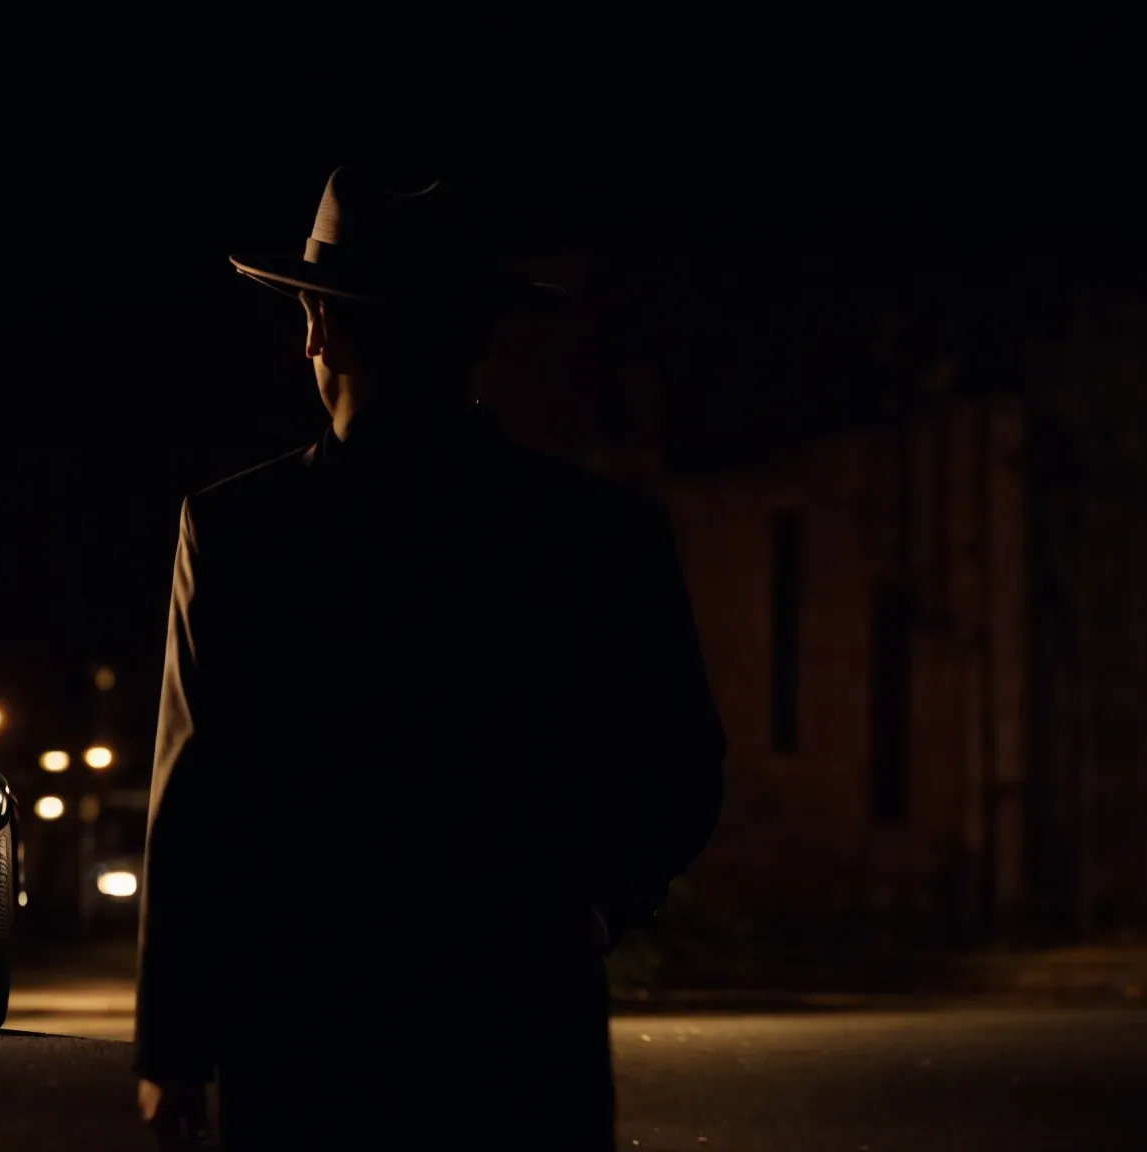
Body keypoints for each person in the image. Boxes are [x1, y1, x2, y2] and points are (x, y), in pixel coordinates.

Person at [134, 166, 724, 1151]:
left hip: (304, 1016)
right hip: (523, 1010)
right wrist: (591, 905)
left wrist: (174, 1042)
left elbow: (198, 798)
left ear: (317, 329)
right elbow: (677, 758)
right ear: (481, 339)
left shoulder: (242, 529)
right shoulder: (595, 529)